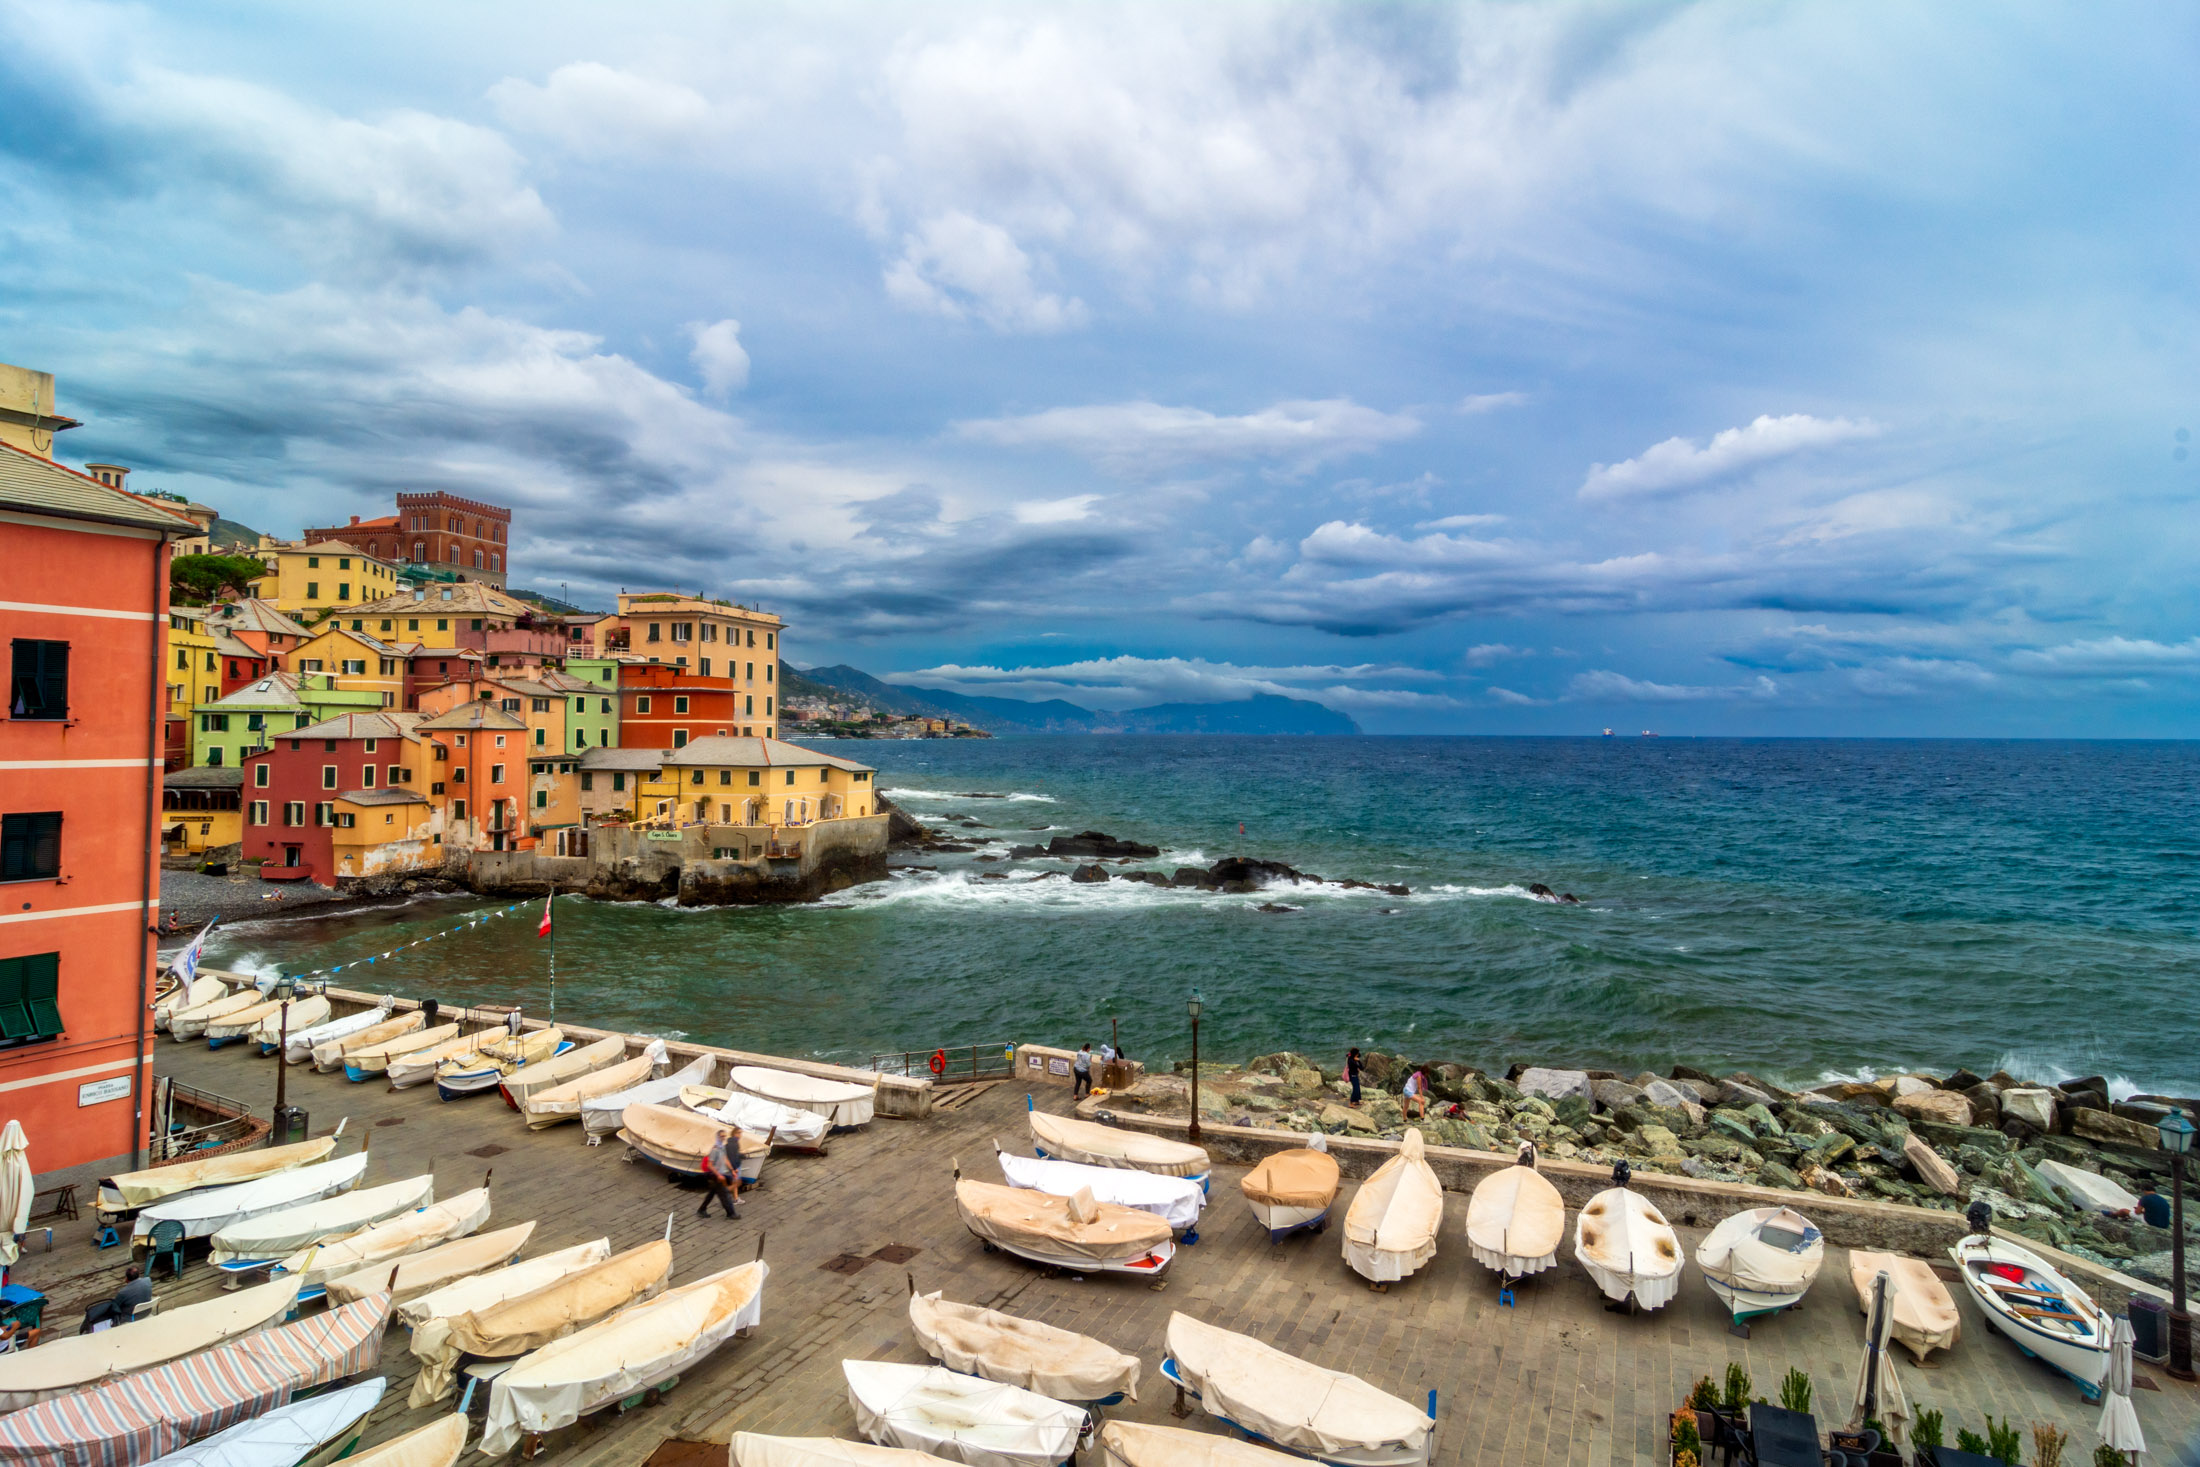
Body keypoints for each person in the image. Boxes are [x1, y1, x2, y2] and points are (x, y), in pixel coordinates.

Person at [79, 1267, 150, 1333]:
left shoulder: (123, 1292)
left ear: (127, 1279)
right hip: (147, 1311)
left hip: (132, 1317)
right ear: (138, 1275)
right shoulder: (148, 1280)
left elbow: (116, 1306)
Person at [696, 1129, 741, 1220]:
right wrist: (718, 1175)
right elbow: (710, 1165)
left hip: (719, 1175)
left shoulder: (722, 1147)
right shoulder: (715, 1149)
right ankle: (731, 1213)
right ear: (718, 1137)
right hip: (715, 1176)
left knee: (712, 1193)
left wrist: (732, 1169)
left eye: (725, 1136)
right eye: (722, 1136)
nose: (723, 1138)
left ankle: (701, 1210)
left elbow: (725, 1159)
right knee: (725, 1195)